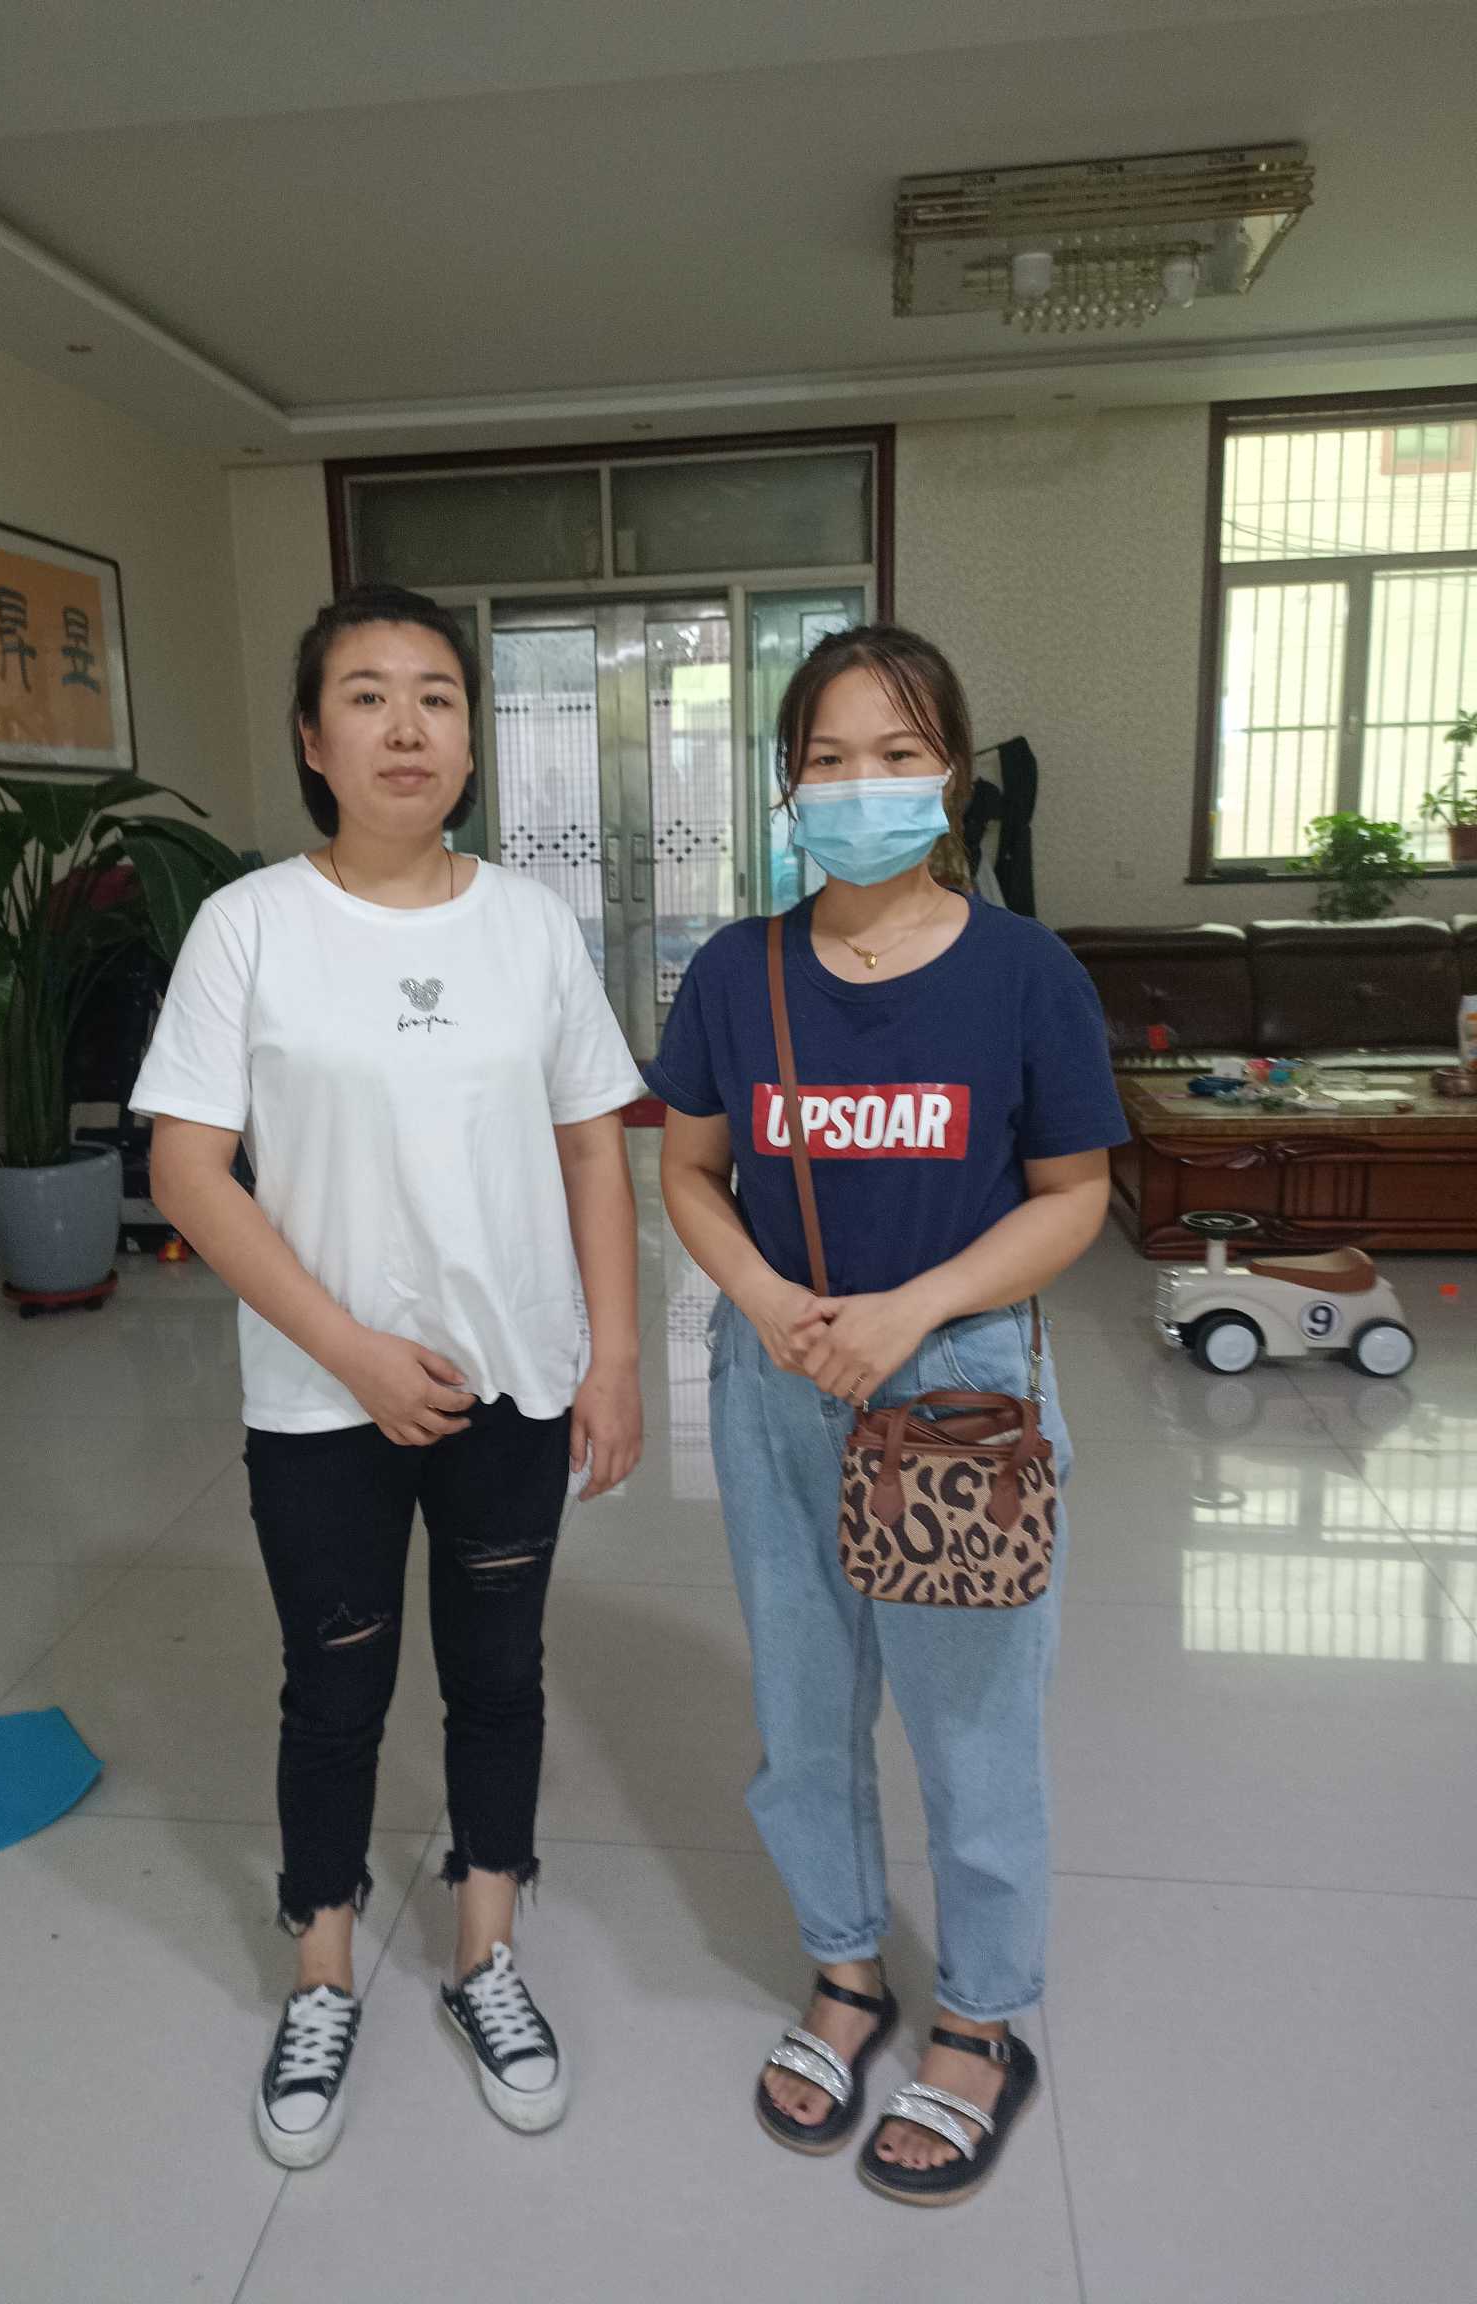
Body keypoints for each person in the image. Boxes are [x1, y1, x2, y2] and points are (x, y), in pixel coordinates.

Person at [135, 583, 646, 2168]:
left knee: (498, 1674)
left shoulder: (532, 925)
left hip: (513, 1385)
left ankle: (487, 1953)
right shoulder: (249, 926)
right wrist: (351, 1350)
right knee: (335, 1685)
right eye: (366, 695)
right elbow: (189, 1169)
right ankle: (323, 1968)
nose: (406, 726)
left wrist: (616, 1357)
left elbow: (593, 1149)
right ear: (313, 739)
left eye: (437, 696)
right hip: (319, 1398)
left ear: (474, 742)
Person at [649, 624, 1125, 2206]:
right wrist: (764, 1298)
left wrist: (914, 1309)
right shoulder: (739, 973)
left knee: (975, 1727)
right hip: (779, 1379)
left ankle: (979, 2018)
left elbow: (1072, 1197)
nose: (864, 786)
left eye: (899, 755)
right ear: (789, 786)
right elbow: (690, 1170)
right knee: (804, 1708)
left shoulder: (1024, 973)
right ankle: (847, 1970)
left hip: (956, 1391)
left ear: (953, 777)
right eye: (830, 759)